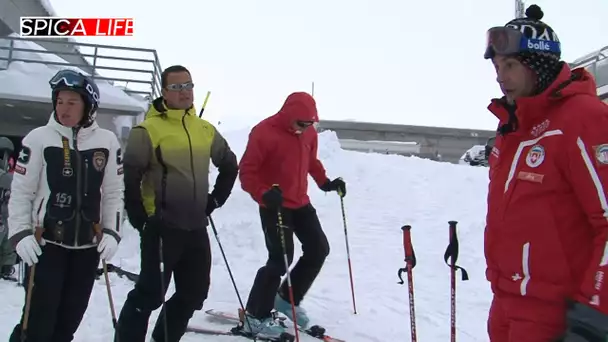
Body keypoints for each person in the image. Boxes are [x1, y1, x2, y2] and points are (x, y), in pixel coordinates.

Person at [484, 4, 608, 342]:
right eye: (497, 66)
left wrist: (594, 320)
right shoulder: (513, 127)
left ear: (537, 64)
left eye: (509, 65)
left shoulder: (583, 118)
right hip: (505, 304)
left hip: (556, 314)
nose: (500, 75)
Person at [115, 65, 239, 342]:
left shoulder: (204, 130)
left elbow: (230, 166)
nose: (184, 92)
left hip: (195, 227)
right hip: (162, 226)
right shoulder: (148, 130)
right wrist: (141, 220)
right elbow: (130, 177)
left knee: (194, 293)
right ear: (164, 93)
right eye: (177, 87)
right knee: (150, 295)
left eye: (188, 85)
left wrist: (214, 200)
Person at [7, 69, 123, 341]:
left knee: (68, 322)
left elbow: (114, 192)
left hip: (86, 248)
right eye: (59, 101)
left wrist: (112, 232)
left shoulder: (106, 142)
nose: (64, 108)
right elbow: (21, 191)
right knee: (37, 322)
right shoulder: (38, 138)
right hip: (46, 246)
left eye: (72, 102)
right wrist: (20, 233)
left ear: (88, 105)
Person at [238, 91, 346, 337]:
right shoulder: (263, 132)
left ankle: (287, 299)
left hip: (300, 202)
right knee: (280, 258)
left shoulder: (307, 132)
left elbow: (311, 161)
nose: (305, 128)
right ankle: (255, 315)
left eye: (310, 124)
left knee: (319, 248)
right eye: (301, 123)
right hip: (274, 205)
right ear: (288, 115)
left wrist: (325, 183)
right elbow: (246, 172)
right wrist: (263, 193)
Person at [0, 137, 17, 280]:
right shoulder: (6, 176)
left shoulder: (8, 174)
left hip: (6, 214)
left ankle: (6, 267)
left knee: (8, 242)